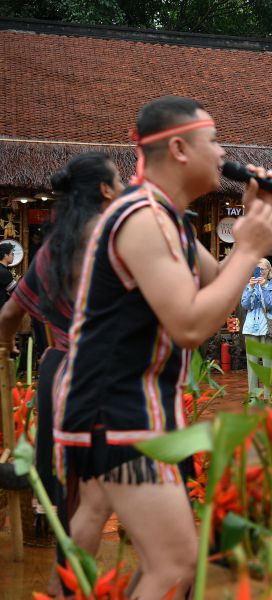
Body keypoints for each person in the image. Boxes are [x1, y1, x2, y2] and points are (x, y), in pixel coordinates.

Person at [51, 96, 272, 598]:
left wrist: (250, 224)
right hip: (116, 407)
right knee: (176, 566)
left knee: (123, 537)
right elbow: (191, 326)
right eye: (213, 140)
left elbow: (220, 291)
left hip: (128, 404)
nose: (223, 154)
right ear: (178, 147)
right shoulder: (142, 217)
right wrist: (250, 248)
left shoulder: (169, 218)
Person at [0, 152, 124, 596]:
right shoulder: (118, 237)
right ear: (105, 190)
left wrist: (8, 345)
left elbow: (10, 313)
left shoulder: (57, 246)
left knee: (70, 491)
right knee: (125, 486)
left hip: (57, 372)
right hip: (107, 375)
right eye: (119, 179)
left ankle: (64, 581)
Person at [241, 258, 272, 399]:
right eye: (258, 269)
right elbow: (245, 305)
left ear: (269, 271)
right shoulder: (249, 285)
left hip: (266, 328)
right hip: (250, 327)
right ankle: (253, 396)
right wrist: (250, 288)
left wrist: (263, 288)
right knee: (252, 364)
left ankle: (270, 395)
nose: (260, 271)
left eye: (263, 269)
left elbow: (271, 305)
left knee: (268, 363)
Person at [0, 242, 17, 309]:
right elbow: (16, 293)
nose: (13, 256)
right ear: (5, 255)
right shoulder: (4, 272)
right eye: (12, 254)